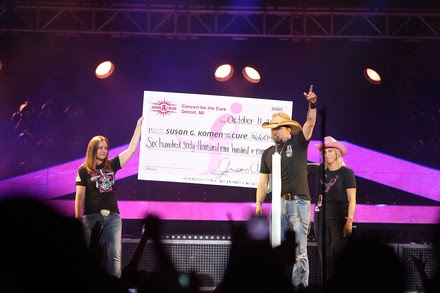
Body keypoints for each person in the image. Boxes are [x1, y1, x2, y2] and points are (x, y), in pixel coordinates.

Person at [255, 85, 317, 290]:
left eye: (279, 127)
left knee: (299, 250)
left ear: (288, 130)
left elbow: (310, 122)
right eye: (273, 128)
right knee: (276, 248)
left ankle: (300, 287)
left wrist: (312, 104)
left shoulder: (298, 143)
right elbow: (263, 181)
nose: (275, 131)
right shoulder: (268, 153)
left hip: (298, 203)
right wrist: (258, 204)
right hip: (277, 203)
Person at [75, 116, 144, 278]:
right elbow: (80, 195)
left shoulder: (111, 165)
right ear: (93, 149)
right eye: (100, 148)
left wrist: (138, 126)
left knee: (115, 257)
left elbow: (131, 150)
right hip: (91, 217)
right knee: (90, 257)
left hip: (113, 216)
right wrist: (77, 217)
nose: (104, 150)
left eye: (106, 148)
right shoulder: (83, 170)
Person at [307, 136, 356, 282]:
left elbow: (352, 199)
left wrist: (349, 220)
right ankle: (327, 286)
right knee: (325, 258)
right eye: (325, 152)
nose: (327, 154)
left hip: (339, 219)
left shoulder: (346, 173)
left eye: (330, 151)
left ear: (337, 153)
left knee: (342, 256)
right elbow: (297, 166)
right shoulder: (318, 170)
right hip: (320, 219)